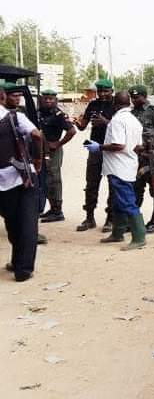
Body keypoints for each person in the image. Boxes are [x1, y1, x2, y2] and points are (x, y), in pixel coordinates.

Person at [84, 91, 145, 251]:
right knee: (118, 202)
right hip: (128, 165)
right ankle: (117, 233)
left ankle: (139, 237)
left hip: (118, 167)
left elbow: (119, 145)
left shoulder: (117, 120)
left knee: (126, 202)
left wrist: (99, 147)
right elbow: (138, 146)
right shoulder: (134, 121)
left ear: (114, 104)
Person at [0, 83, 43, 281]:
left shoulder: (15, 115)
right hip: (24, 175)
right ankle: (23, 268)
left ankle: (19, 262)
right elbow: (36, 135)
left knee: (13, 222)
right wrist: (38, 159)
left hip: (6, 181)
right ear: (2, 96)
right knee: (27, 222)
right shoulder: (15, 117)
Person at [74, 79, 115, 232]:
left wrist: (106, 122)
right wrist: (78, 123)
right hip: (95, 148)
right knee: (91, 183)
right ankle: (89, 217)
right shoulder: (93, 105)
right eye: (100, 91)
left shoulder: (116, 105)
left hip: (111, 150)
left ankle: (110, 219)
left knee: (113, 184)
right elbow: (83, 124)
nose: (103, 94)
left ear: (112, 91)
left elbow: (121, 125)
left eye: (106, 91)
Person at [129, 85, 154, 234]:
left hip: (152, 155)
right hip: (136, 157)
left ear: (144, 96)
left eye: (137, 97)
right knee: (136, 189)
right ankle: (134, 221)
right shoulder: (131, 114)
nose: (134, 100)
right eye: (132, 97)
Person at [38, 89, 76, 223]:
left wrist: (58, 144)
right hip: (39, 150)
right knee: (43, 179)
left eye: (51, 99)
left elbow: (72, 131)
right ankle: (52, 208)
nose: (48, 101)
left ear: (56, 100)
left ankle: (58, 211)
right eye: (45, 98)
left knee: (54, 179)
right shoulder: (38, 112)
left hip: (53, 151)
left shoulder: (59, 115)